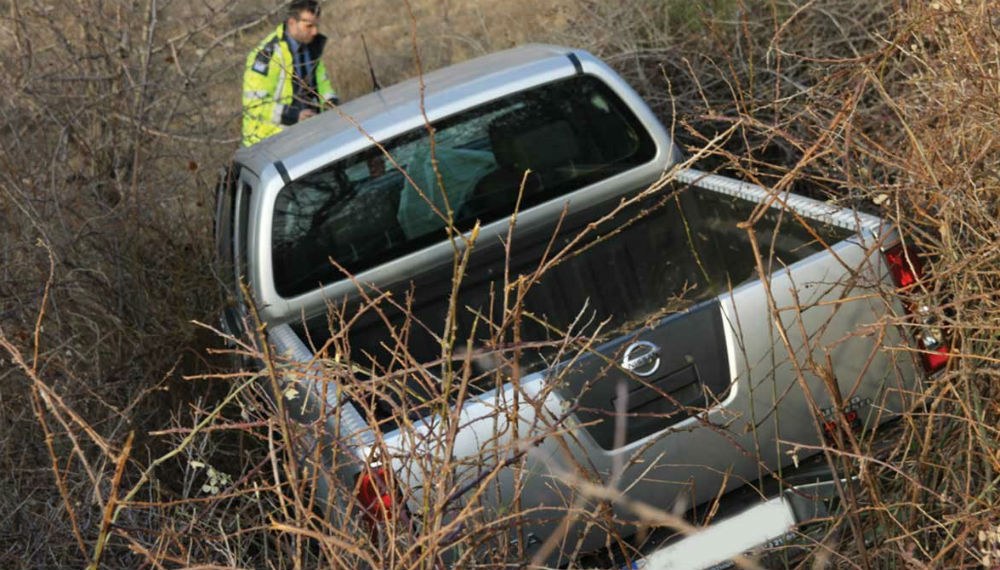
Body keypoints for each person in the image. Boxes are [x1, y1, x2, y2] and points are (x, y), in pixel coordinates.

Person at [242, 0, 338, 146]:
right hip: (267, 144)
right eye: (309, 26)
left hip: (304, 136)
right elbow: (254, 105)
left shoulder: (311, 48)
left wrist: (331, 103)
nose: (315, 32)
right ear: (292, 22)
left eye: (316, 26)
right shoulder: (268, 54)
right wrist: (294, 115)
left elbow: (322, 85)